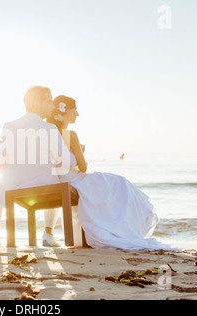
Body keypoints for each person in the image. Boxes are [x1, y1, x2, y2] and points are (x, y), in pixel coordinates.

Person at [46, 95, 178, 250]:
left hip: (62, 179)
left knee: (115, 184)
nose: (77, 114)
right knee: (121, 184)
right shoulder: (70, 135)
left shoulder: (48, 135)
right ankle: (122, 228)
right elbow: (83, 168)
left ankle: (114, 227)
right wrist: (80, 153)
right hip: (76, 179)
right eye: (75, 110)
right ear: (66, 111)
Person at [0, 86, 74, 246]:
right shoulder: (50, 128)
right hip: (45, 187)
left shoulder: (9, 126)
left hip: (14, 187)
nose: (52, 106)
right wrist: (75, 153)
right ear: (37, 104)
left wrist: (14, 174)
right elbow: (66, 163)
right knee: (59, 176)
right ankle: (48, 234)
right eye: (49, 101)